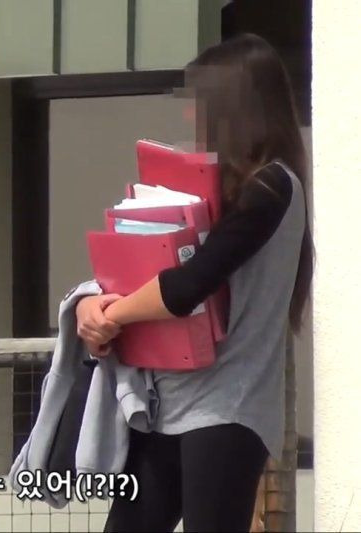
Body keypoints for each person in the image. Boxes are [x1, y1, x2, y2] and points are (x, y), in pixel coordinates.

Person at [76, 33, 313, 532]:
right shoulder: (209, 187)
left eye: (201, 102)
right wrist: (89, 304)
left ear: (234, 106)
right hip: (165, 404)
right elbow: (146, 270)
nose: (190, 115)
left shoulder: (271, 187)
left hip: (229, 410)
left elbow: (186, 286)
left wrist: (111, 315)